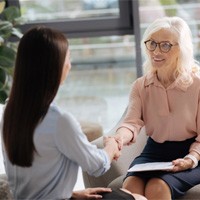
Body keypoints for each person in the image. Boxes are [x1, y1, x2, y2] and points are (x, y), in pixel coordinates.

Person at [0, 26, 146, 200]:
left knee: (124, 194)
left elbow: (33, 176)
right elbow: (97, 165)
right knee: (138, 199)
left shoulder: (10, 112)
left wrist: (72, 194)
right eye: (67, 58)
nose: (69, 65)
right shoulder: (59, 120)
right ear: (53, 67)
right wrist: (111, 146)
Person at [113, 16, 200, 200]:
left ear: (182, 49)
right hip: (154, 152)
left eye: (165, 45)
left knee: (157, 187)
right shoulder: (140, 86)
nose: (156, 51)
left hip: (193, 153)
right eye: (152, 43)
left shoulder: (197, 85)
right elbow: (131, 123)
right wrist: (119, 138)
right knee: (130, 187)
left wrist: (191, 158)